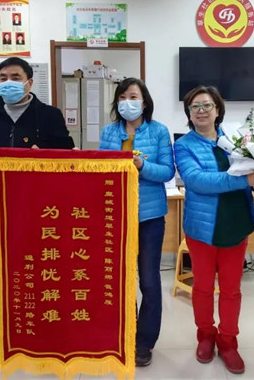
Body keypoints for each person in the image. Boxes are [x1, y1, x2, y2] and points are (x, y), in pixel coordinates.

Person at [0, 57, 75, 367]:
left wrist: (47, 156)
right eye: (3, 77)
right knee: (4, 275)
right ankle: (8, 337)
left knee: (43, 272)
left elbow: (67, 151)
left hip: (41, 208)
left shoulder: (49, 116)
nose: (8, 82)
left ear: (29, 82)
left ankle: (48, 333)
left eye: (15, 76)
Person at [173, 86, 254, 375]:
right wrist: (244, 180)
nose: (201, 111)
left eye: (207, 105)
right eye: (195, 107)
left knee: (231, 290)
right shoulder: (184, 145)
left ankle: (228, 341)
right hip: (202, 229)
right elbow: (197, 180)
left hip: (236, 224)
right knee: (202, 288)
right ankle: (205, 335)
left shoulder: (238, 140)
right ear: (189, 113)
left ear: (218, 109)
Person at [99, 77, 175, 368]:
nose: (127, 102)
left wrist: (142, 165)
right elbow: (99, 168)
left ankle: (145, 341)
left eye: (133, 97)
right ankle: (124, 333)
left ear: (144, 102)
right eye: (122, 98)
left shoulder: (158, 131)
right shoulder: (109, 132)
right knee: (119, 278)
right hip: (115, 215)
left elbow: (167, 172)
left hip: (149, 216)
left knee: (149, 280)